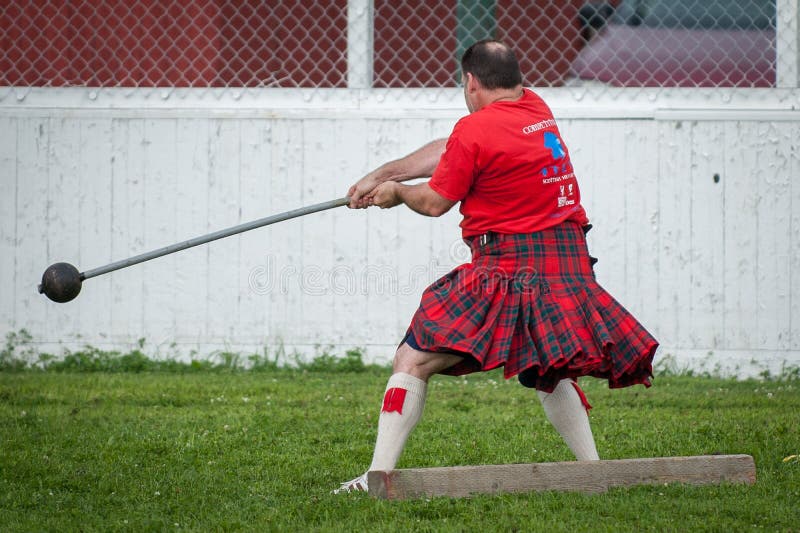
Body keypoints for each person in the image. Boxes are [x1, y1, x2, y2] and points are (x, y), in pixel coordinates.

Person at [334, 40, 658, 493]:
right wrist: (386, 173)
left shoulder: (477, 131)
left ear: (470, 81)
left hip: (509, 265)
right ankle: (592, 473)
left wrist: (397, 193)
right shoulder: (534, 106)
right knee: (548, 366)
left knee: (412, 358)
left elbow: (434, 203)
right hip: (566, 260)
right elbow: (455, 145)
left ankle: (376, 480)